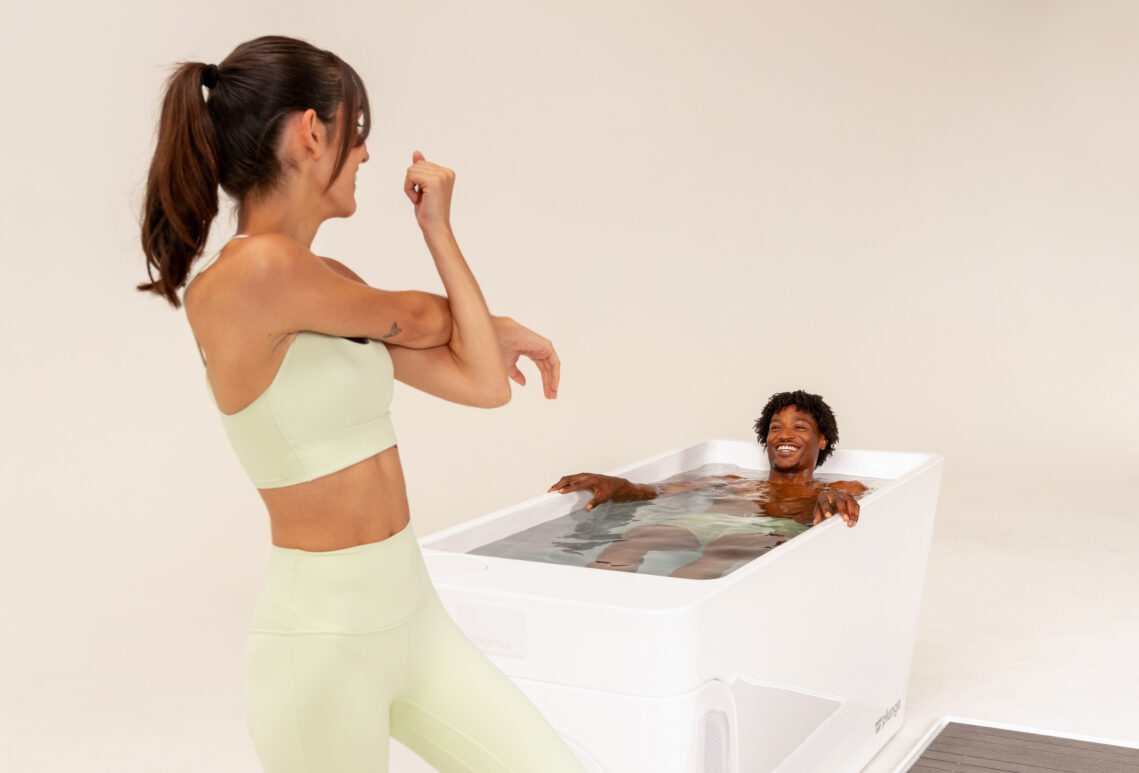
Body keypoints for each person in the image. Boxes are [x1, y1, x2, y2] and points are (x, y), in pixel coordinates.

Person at [137, 36, 585, 773]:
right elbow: (424, 321)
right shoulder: (254, 275)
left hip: (412, 613)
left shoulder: (328, 283)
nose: (368, 155)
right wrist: (484, 320)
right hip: (321, 642)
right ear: (313, 132)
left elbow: (483, 382)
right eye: (358, 132)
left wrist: (438, 231)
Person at [548, 390, 867, 579]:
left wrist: (831, 497)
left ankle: (657, 622)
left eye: (800, 427)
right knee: (639, 534)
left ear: (822, 440)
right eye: (775, 427)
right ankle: (589, 605)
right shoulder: (732, 481)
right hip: (709, 522)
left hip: (769, 530)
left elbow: (851, 501)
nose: (784, 435)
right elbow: (658, 492)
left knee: (724, 549)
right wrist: (618, 484)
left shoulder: (836, 486)